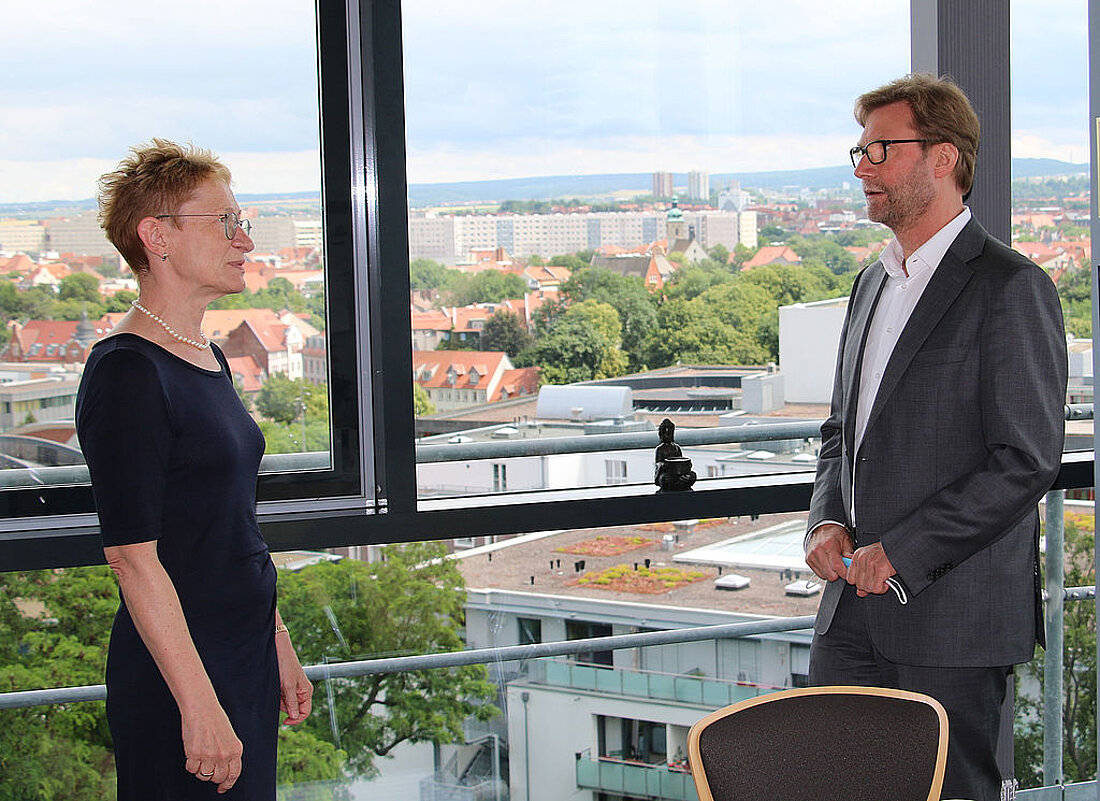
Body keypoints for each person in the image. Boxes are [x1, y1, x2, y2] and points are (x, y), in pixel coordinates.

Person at [803, 75, 1067, 801]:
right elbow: (840, 432)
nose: (863, 167)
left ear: (943, 157)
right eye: (859, 151)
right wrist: (825, 519)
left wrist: (903, 551)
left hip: (954, 622)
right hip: (848, 615)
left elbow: (1026, 460)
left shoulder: (1011, 287)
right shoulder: (869, 284)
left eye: (881, 149)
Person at [76, 139, 313, 799]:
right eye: (225, 222)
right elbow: (132, 558)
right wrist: (199, 705)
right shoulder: (127, 371)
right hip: (180, 676)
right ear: (158, 236)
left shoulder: (207, 356)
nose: (245, 240)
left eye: (243, 222)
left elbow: (230, 528)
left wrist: (276, 639)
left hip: (240, 653)